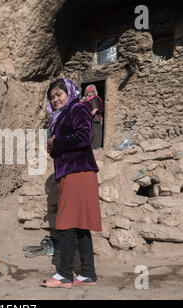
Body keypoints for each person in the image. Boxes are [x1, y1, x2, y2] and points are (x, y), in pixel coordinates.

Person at [44, 78, 102, 288]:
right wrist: (53, 147)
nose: (55, 100)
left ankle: (65, 274)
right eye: (52, 97)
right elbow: (65, 144)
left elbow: (83, 137)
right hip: (71, 171)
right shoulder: (59, 118)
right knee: (79, 224)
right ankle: (88, 273)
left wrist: (55, 142)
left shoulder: (77, 109)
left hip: (77, 171)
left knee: (67, 222)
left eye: (59, 94)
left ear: (69, 92)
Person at [81, 84, 104, 149]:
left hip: (95, 119)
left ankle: (96, 149)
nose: (90, 93)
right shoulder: (84, 99)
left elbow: (95, 109)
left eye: (92, 91)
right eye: (89, 91)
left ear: (94, 92)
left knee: (96, 134)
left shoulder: (95, 98)